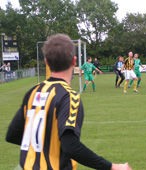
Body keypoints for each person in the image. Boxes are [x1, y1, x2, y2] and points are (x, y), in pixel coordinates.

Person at [6, 34, 132, 170]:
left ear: (46, 62)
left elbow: (12, 134)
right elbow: (70, 146)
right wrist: (112, 167)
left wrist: (44, 146)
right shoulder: (69, 96)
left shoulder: (33, 92)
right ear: (74, 61)